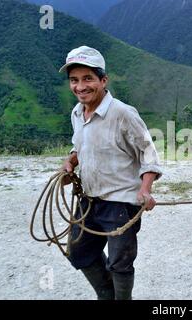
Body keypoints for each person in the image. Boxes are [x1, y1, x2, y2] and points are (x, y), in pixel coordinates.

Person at [59, 45, 163, 300]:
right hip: (89, 199)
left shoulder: (123, 114)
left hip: (120, 203)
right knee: (78, 251)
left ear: (103, 80)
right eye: (74, 80)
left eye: (88, 79)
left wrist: (145, 189)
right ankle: (106, 294)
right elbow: (81, 143)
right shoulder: (77, 113)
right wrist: (71, 160)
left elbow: (148, 153)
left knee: (120, 262)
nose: (80, 87)